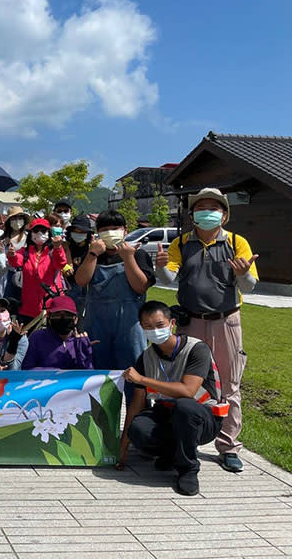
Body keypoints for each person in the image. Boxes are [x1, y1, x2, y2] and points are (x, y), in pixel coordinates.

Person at [155, 187, 258, 473]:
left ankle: (228, 446)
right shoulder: (181, 243)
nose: (207, 212)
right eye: (201, 207)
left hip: (226, 321)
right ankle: (186, 441)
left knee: (228, 383)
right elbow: (168, 278)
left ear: (224, 215)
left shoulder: (238, 242)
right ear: (192, 215)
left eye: (214, 207)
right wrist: (161, 267)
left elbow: (249, 286)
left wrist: (242, 273)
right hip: (190, 322)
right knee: (187, 383)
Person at [117, 301, 226, 496]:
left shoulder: (197, 349)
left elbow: (188, 391)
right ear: (141, 328)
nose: (155, 331)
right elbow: (135, 405)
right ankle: (171, 453)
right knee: (139, 428)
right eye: (148, 327)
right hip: (168, 413)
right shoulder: (145, 358)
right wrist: (124, 447)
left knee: (185, 406)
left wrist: (142, 379)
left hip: (203, 417)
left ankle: (188, 470)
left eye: (160, 325)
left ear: (172, 323)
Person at [74, 209, 155, 403]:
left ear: (125, 230)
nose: (111, 233)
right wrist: (93, 253)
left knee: (134, 377)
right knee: (99, 380)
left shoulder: (138, 254)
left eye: (115, 228)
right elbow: (81, 281)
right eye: (105, 229)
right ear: (98, 233)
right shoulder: (92, 255)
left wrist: (128, 258)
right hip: (97, 325)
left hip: (130, 326)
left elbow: (140, 286)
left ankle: (134, 425)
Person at [7, 217, 67, 325]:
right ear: (30, 234)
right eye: (36, 231)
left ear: (48, 233)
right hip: (28, 305)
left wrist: (58, 248)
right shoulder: (24, 252)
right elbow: (16, 262)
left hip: (50, 304)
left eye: (43, 231)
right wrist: (12, 255)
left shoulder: (53, 251)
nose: (39, 233)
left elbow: (61, 263)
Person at [21, 295, 93, 370]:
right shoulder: (37, 338)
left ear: (75, 319)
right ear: (49, 318)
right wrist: (57, 372)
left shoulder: (80, 341)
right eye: (57, 315)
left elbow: (88, 375)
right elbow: (27, 369)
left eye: (67, 315)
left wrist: (83, 351)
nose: (62, 319)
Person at [0, 296, 29, 370]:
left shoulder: (20, 339)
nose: (0, 316)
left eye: (3, 310)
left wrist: (13, 341)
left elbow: (13, 369)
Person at [64, 215, 95, 321]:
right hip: (68, 288)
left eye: (82, 232)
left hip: (86, 290)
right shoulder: (66, 247)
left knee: (82, 320)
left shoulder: (92, 249)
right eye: (76, 231)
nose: (79, 235)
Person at [0, 206, 29, 299]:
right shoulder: (3, 239)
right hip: (9, 274)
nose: (17, 221)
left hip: (27, 274)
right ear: (9, 221)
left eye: (20, 218)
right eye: (14, 218)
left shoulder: (29, 236)